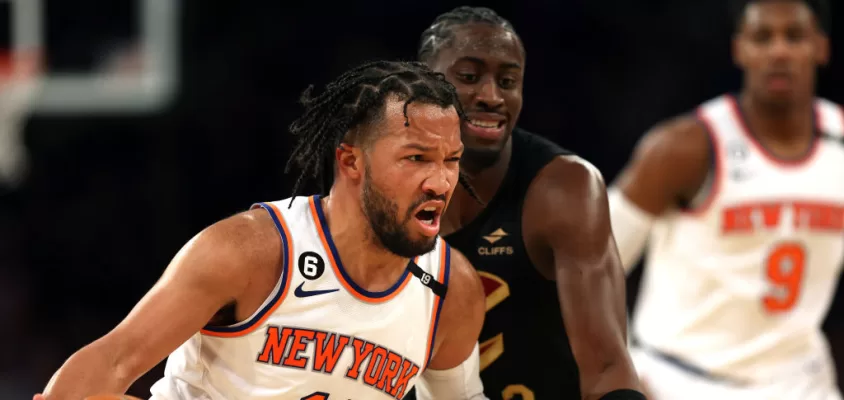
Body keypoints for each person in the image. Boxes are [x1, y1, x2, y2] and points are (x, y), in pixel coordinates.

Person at [34, 60, 489, 400]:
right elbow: (114, 361)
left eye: (451, 160)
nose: (441, 182)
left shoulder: (453, 290)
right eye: (417, 159)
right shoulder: (249, 251)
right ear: (351, 161)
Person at [405, 6, 644, 400]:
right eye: (469, 77)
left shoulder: (564, 189)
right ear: (420, 83)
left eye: (508, 81)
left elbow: (607, 367)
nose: (491, 96)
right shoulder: (380, 181)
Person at [609, 1, 844, 399]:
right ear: (741, 49)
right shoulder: (684, 147)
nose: (779, 51)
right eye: (763, 37)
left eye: (795, 36)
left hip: (801, 383)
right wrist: (617, 369)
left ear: (821, 47)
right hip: (677, 379)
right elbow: (590, 263)